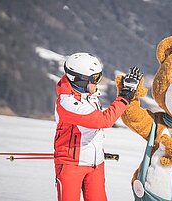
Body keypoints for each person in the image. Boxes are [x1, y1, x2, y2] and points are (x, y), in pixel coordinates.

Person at [53, 52, 143, 201]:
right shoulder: (67, 103)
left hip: (95, 165)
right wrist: (125, 96)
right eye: (95, 78)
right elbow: (103, 121)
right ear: (81, 80)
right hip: (71, 165)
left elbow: (91, 131)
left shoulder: (89, 96)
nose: (98, 82)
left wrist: (95, 153)